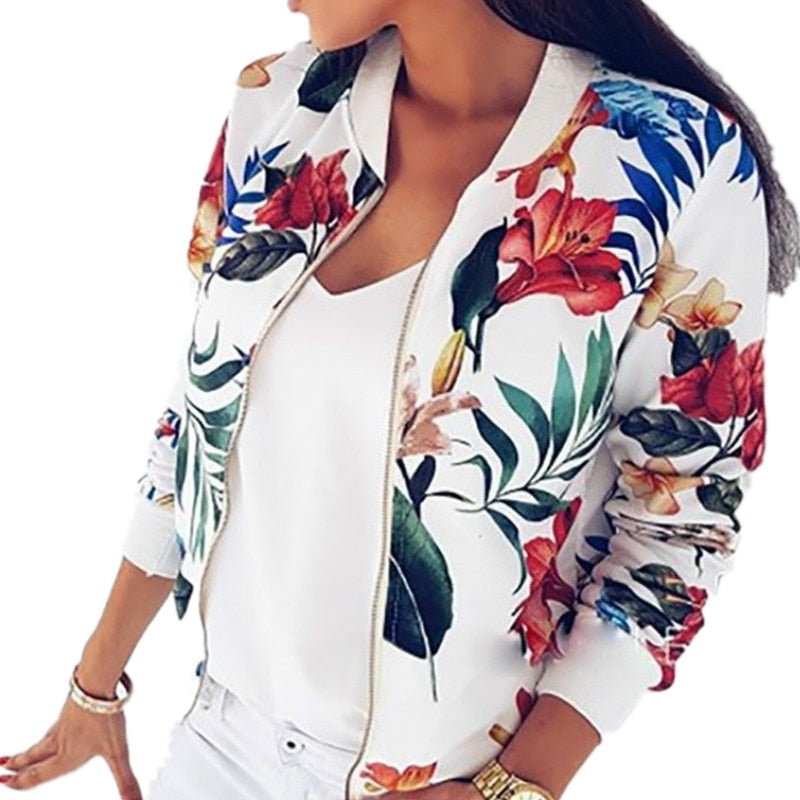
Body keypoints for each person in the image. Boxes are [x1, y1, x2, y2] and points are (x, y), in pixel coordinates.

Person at [1, 1, 797, 798]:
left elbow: (683, 514)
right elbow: (199, 410)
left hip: (431, 781)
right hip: (220, 747)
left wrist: (518, 788)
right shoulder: (282, 103)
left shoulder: (674, 158)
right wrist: (94, 684)